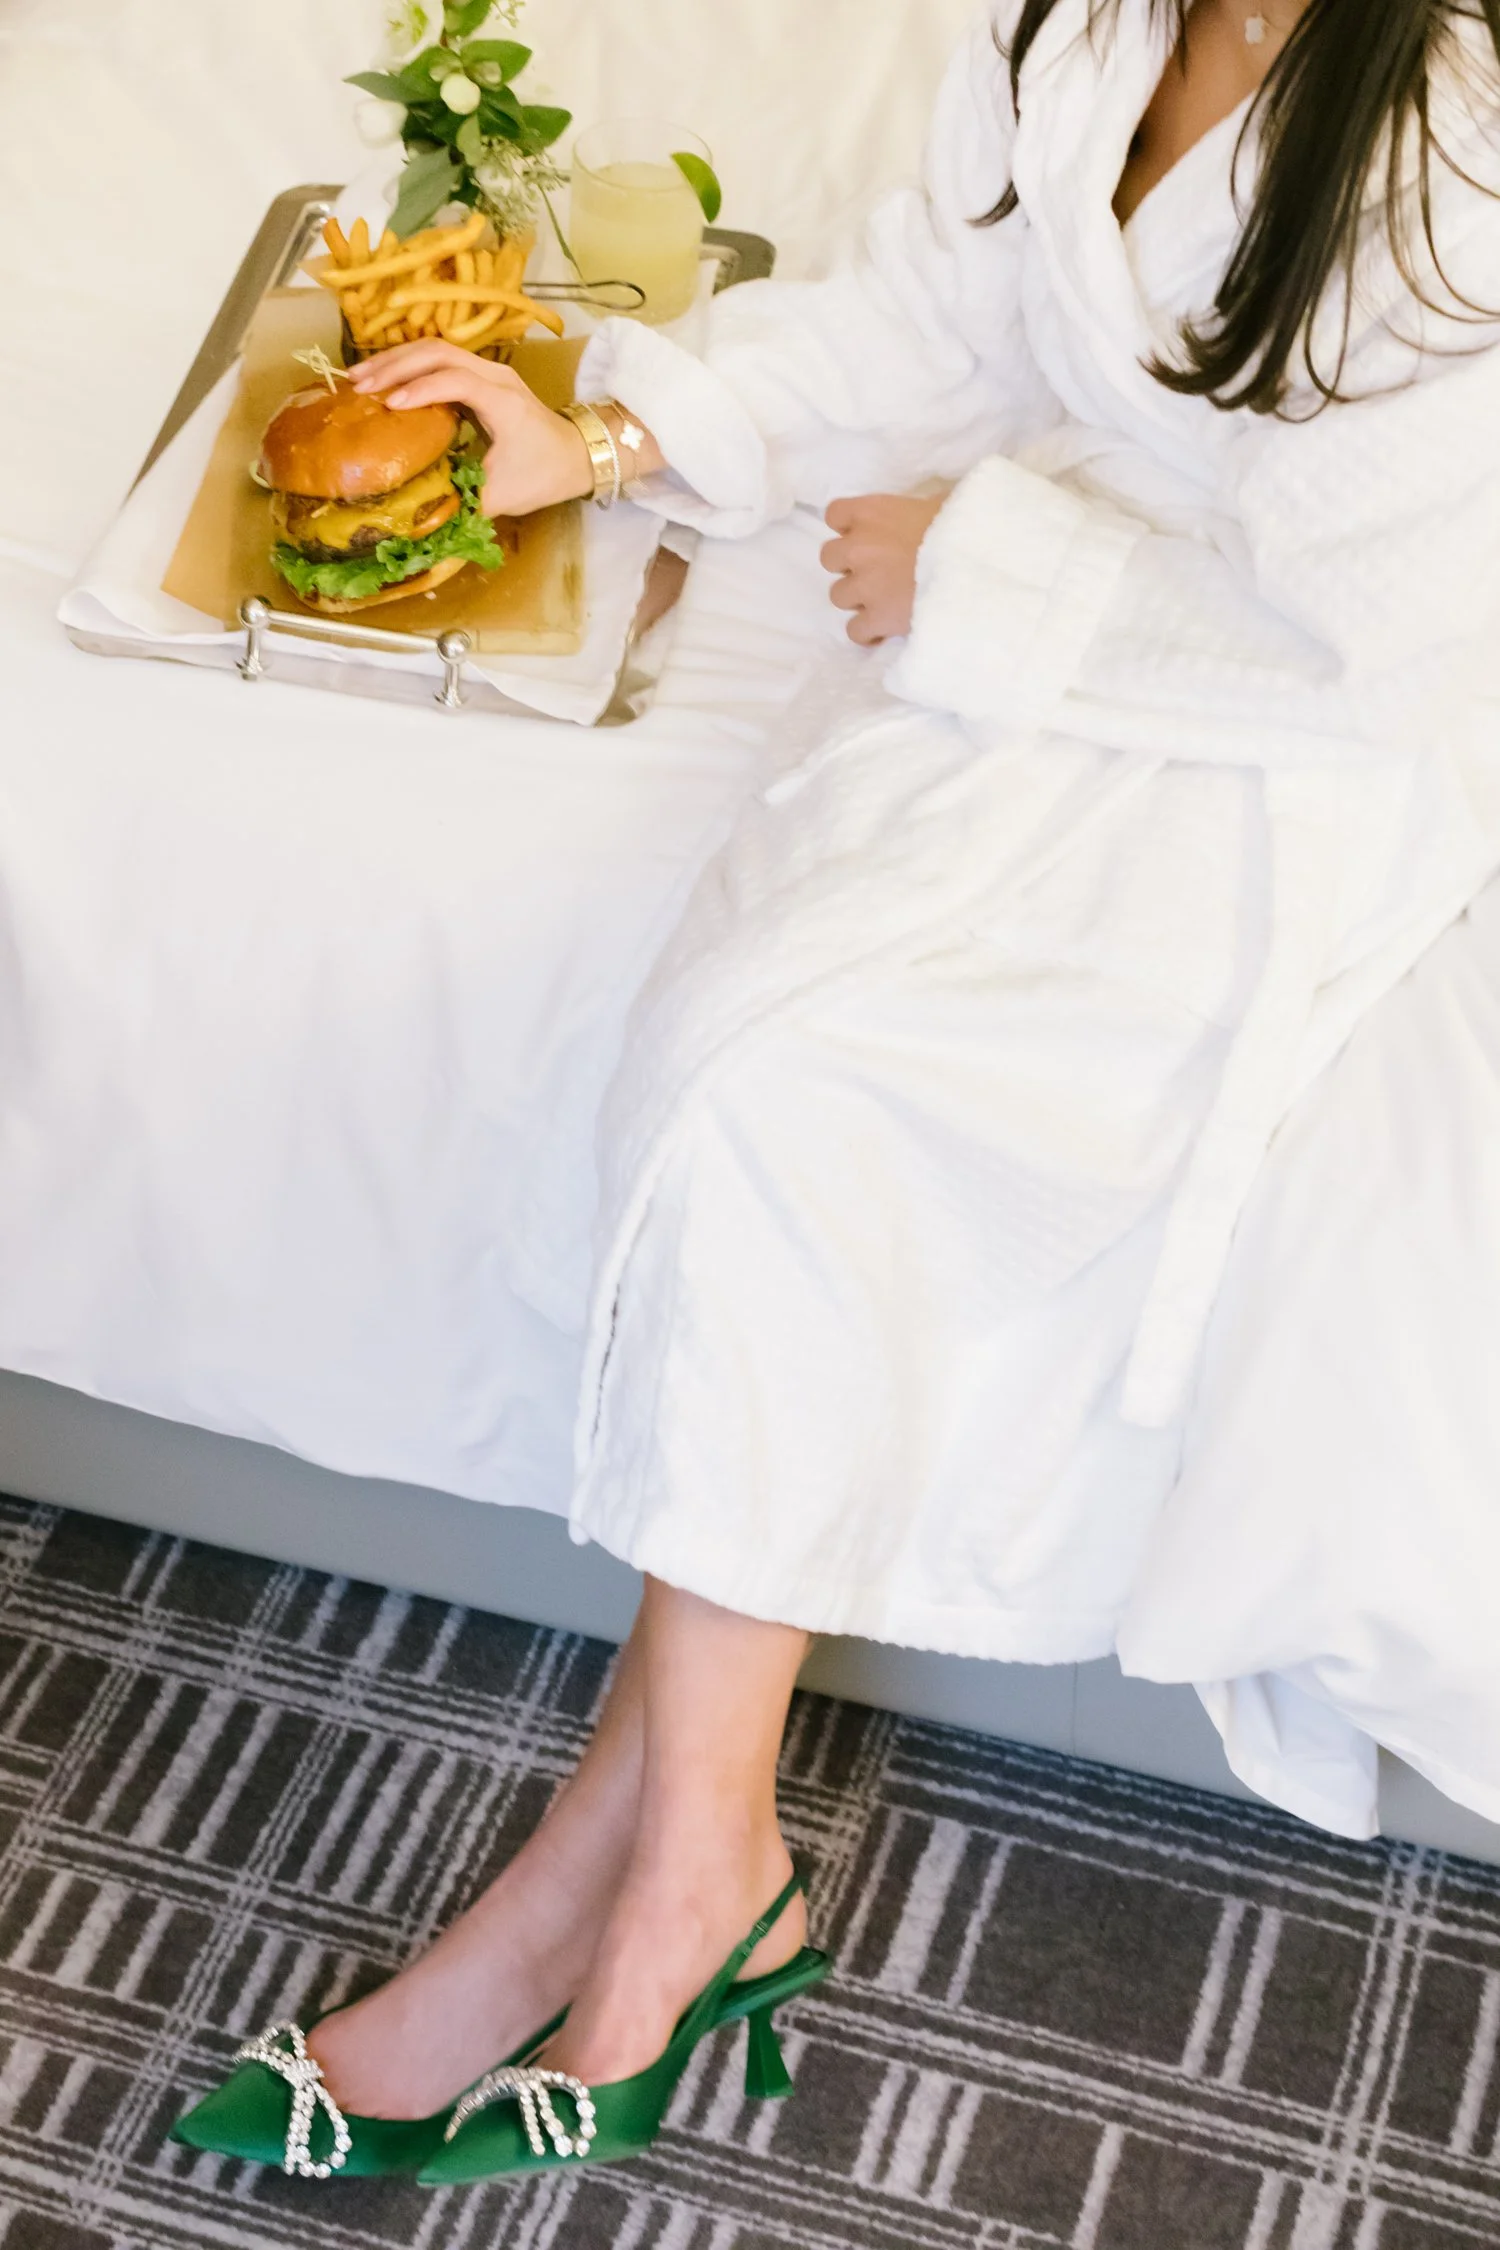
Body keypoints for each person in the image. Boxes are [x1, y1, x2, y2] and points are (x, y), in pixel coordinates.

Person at [176, 0, 1500, 2185]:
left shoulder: (1453, 142)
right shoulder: (1092, 23)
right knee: (741, 1058)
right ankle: (673, 1868)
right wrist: (602, 439)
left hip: (1265, 747)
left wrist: (979, 566)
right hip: (1055, 641)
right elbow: (947, 307)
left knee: (793, 1089)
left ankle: (630, 1886)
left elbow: (1388, 667)